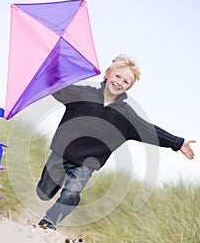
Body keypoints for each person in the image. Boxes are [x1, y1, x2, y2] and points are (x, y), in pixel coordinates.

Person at [36, 55, 196, 229]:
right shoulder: (82, 93)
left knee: (71, 194)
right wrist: (50, 66)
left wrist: (177, 142)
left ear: (129, 87)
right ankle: (46, 190)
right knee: (43, 193)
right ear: (107, 74)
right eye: (118, 76)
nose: (120, 82)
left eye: (126, 82)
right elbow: (57, 87)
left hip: (87, 164)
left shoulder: (125, 115)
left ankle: (49, 222)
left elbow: (149, 130)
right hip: (61, 153)